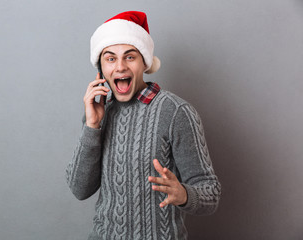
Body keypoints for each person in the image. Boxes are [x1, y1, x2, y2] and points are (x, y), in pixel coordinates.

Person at [66, 11, 221, 240]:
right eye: (110, 58)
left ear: (144, 62)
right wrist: (92, 126)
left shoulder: (176, 112)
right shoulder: (97, 114)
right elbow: (80, 190)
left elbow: (211, 193)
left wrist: (184, 194)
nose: (120, 67)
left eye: (130, 57)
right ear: (101, 70)